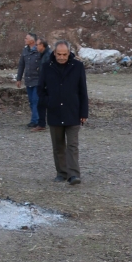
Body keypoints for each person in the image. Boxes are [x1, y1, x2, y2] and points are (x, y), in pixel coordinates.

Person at [38, 40, 88, 186]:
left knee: (72, 145)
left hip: (73, 111)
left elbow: (82, 91)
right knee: (58, 146)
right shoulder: (46, 67)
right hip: (54, 112)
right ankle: (61, 173)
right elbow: (40, 90)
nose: (61, 57)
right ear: (54, 53)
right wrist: (48, 103)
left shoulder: (78, 67)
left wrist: (84, 112)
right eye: (59, 54)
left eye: (64, 54)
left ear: (69, 53)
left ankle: (74, 175)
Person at [16, 32, 50, 130]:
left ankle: (36, 121)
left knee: (36, 100)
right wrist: (19, 78)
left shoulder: (40, 51)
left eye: (26, 38)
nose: (25, 40)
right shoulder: (25, 51)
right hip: (28, 80)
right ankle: (36, 119)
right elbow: (21, 65)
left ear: (32, 40)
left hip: (38, 80)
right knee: (31, 101)